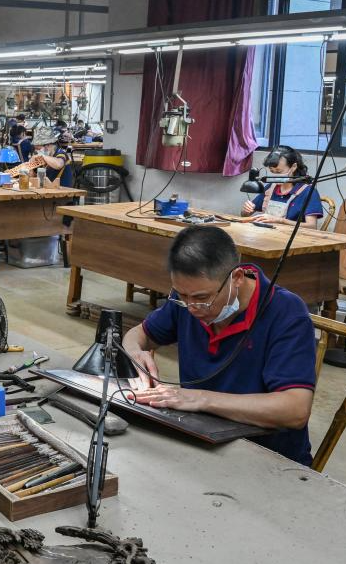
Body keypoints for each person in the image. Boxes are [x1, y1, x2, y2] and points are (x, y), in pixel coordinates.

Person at [121, 226, 316, 465]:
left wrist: (200, 399)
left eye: (202, 298)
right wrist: (135, 353)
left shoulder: (286, 313)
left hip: (267, 459)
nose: (192, 308)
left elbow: (295, 409)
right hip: (201, 442)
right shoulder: (188, 300)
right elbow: (137, 334)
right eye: (182, 296)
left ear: (237, 278)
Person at [240, 145, 324, 228]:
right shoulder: (270, 188)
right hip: (268, 234)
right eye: (272, 171)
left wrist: (280, 221)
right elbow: (244, 215)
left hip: (292, 236)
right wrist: (246, 210)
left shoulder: (308, 192)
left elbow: (311, 226)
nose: (275, 176)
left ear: (293, 167)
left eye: (279, 172)